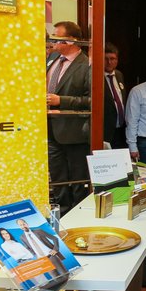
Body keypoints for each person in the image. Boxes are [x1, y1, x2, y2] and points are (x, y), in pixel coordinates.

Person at [46, 21, 91, 213]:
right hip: (50, 130)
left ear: (71, 40)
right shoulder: (53, 58)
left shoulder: (86, 64)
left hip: (74, 133)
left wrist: (61, 101)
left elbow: (92, 100)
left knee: (77, 181)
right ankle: (62, 215)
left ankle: (78, 216)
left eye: (57, 36)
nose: (53, 39)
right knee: (58, 179)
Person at [103, 42, 127, 148]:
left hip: (121, 131)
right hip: (106, 131)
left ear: (117, 60)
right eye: (105, 59)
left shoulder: (119, 75)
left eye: (112, 59)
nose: (109, 62)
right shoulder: (95, 76)